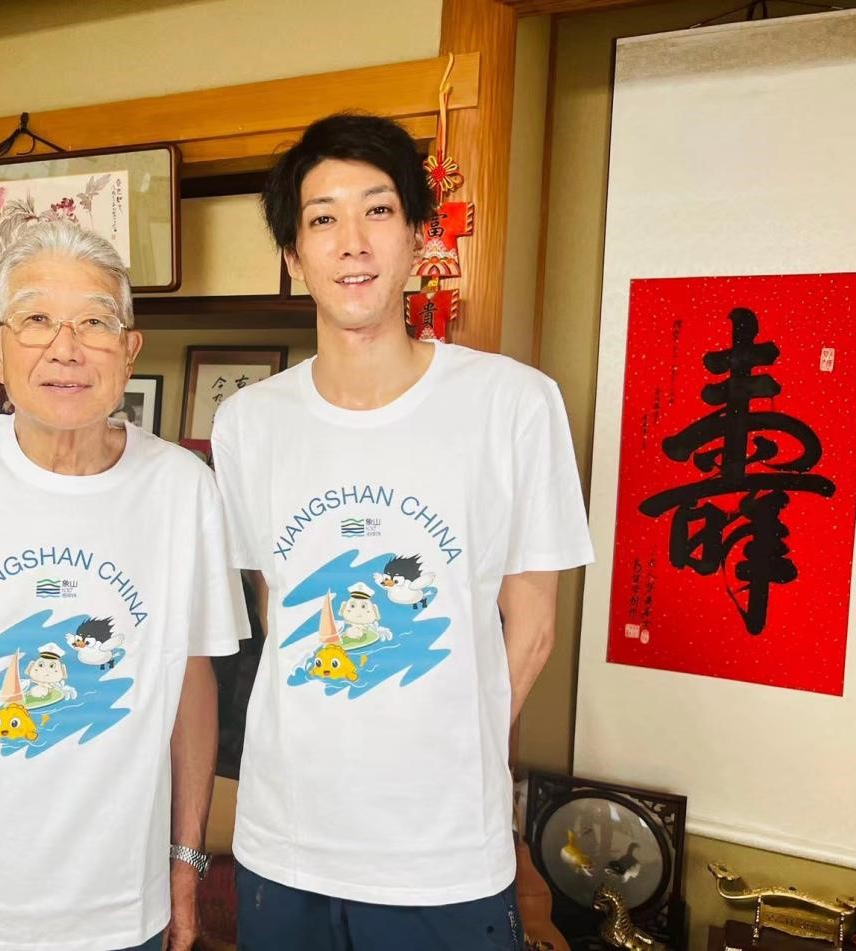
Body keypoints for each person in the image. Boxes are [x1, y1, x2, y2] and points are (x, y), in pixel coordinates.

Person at [210, 113, 594, 950]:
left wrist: (440, 747)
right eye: (322, 218)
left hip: (444, 853)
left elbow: (531, 628)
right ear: (292, 255)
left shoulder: (512, 403)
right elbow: (277, 606)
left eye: (377, 210)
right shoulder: (248, 423)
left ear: (419, 235)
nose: (351, 241)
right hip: (283, 842)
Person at [0, 220, 249, 951]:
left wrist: (185, 867)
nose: (65, 348)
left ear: (129, 349)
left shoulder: (184, 489)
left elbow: (192, 685)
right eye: (36, 320)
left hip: (116, 914)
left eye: (94, 322)